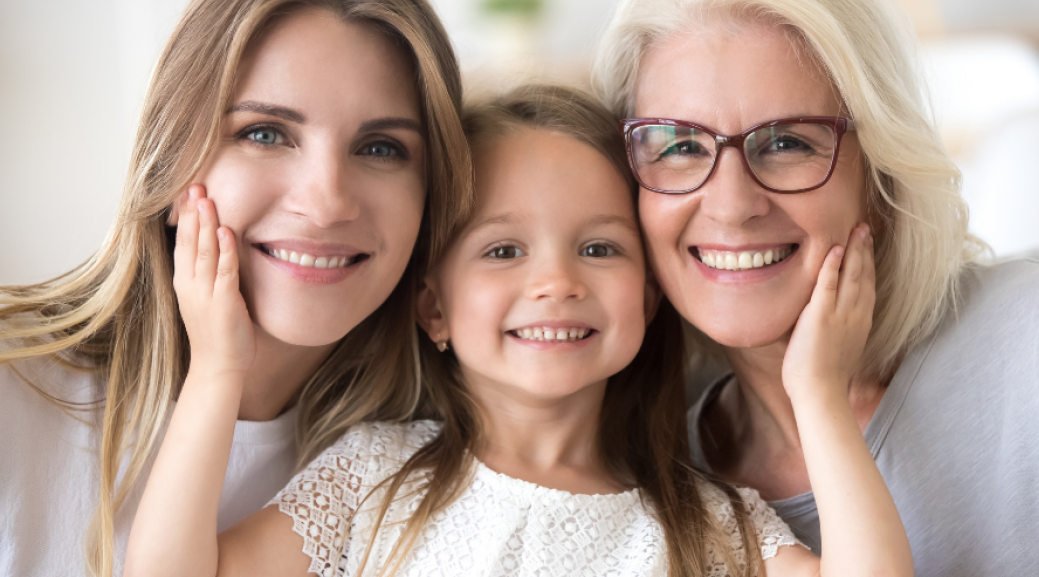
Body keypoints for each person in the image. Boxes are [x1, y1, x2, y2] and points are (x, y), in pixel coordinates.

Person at [123, 84, 912, 577]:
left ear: (650, 295)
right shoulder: (373, 481)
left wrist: (817, 394)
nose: (557, 283)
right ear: (432, 306)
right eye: (503, 250)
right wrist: (217, 370)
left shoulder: (708, 527)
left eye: (599, 249)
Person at [592, 0, 1039, 575]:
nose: (730, 206)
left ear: (883, 179)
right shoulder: (654, 495)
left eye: (787, 143)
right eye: (679, 145)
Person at [0, 0, 472, 575]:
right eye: (266, 133)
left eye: (381, 148)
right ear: (171, 162)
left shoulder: (430, 461)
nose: (327, 202)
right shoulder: (16, 384)